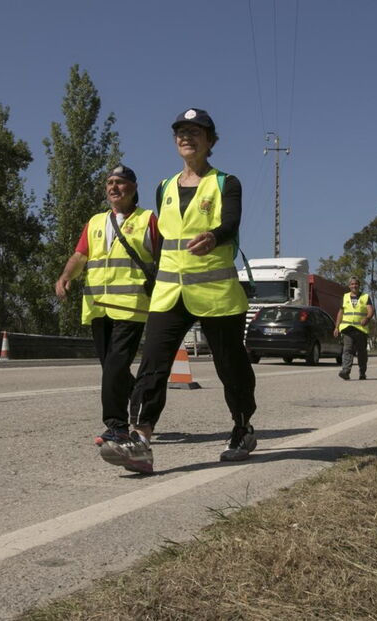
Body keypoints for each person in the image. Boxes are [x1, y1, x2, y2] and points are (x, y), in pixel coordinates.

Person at [100, 108, 257, 474]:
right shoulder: (164, 187)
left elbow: (231, 223)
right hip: (170, 294)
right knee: (153, 365)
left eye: (195, 132)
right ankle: (140, 441)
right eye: (180, 132)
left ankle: (242, 427)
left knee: (230, 367)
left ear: (210, 140)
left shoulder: (225, 183)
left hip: (216, 294)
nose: (186, 137)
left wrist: (215, 236)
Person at [55, 165, 159, 447]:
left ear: (134, 188)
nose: (114, 187)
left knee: (115, 365)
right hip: (98, 307)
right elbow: (80, 256)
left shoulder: (148, 220)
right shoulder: (95, 222)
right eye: (110, 183)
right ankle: (141, 398)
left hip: (131, 307)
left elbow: (163, 260)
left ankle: (117, 426)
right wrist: (66, 276)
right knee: (111, 367)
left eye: (121, 182)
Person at [334, 277, 374, 380]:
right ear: (349, 286)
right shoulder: (345, 297)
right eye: (352, 284)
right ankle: (346, 371)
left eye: (356, 284)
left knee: (361, 352)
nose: (354, 286)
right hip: (348, 328)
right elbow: (340, 312)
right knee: (347, 350)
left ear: (359, 285)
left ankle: (362, 372)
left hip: (361, 329)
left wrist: (367, 318)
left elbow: (370, 310)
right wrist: (337, 327)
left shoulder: (365, 297)